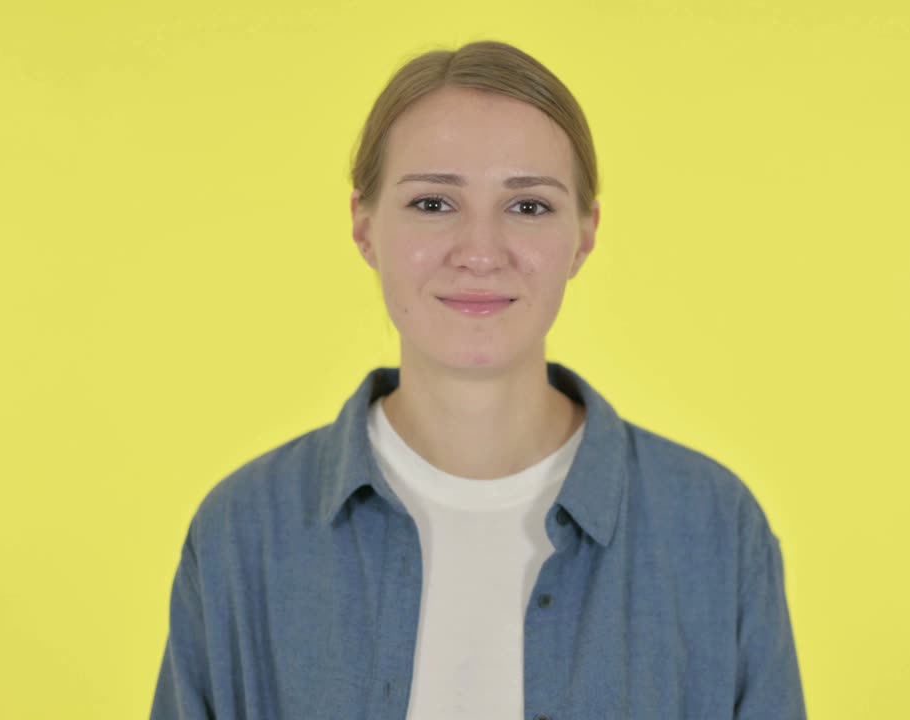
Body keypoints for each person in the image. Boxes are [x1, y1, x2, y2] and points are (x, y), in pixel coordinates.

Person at [151, 40, 806, 720]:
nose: (480, 252)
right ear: (364, 225)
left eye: (528, 207)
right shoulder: (242, 534)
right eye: (433, 203)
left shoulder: (715, 529)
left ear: (585, 235)